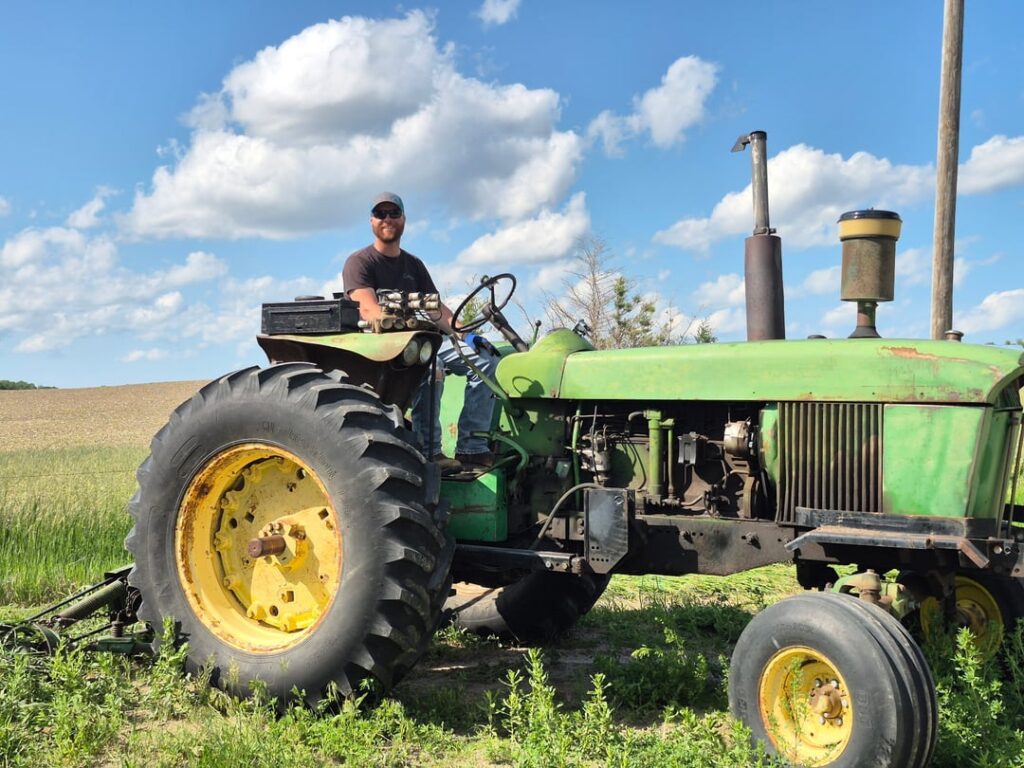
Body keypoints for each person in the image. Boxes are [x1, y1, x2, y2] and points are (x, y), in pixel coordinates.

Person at [342, 192, 498, 471]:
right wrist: (406, 328)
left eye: (393, 213)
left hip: (422, 338)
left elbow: (437, 310)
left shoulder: (413, 264)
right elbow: (368, 309)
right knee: (431, 364)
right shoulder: (360, 262)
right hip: (382, 342)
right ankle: (429, 452)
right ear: (371, 221)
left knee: (486, 361)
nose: (387, 219)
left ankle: (472, 447)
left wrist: (467, 334)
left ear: (403, 219)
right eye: (381, 214)